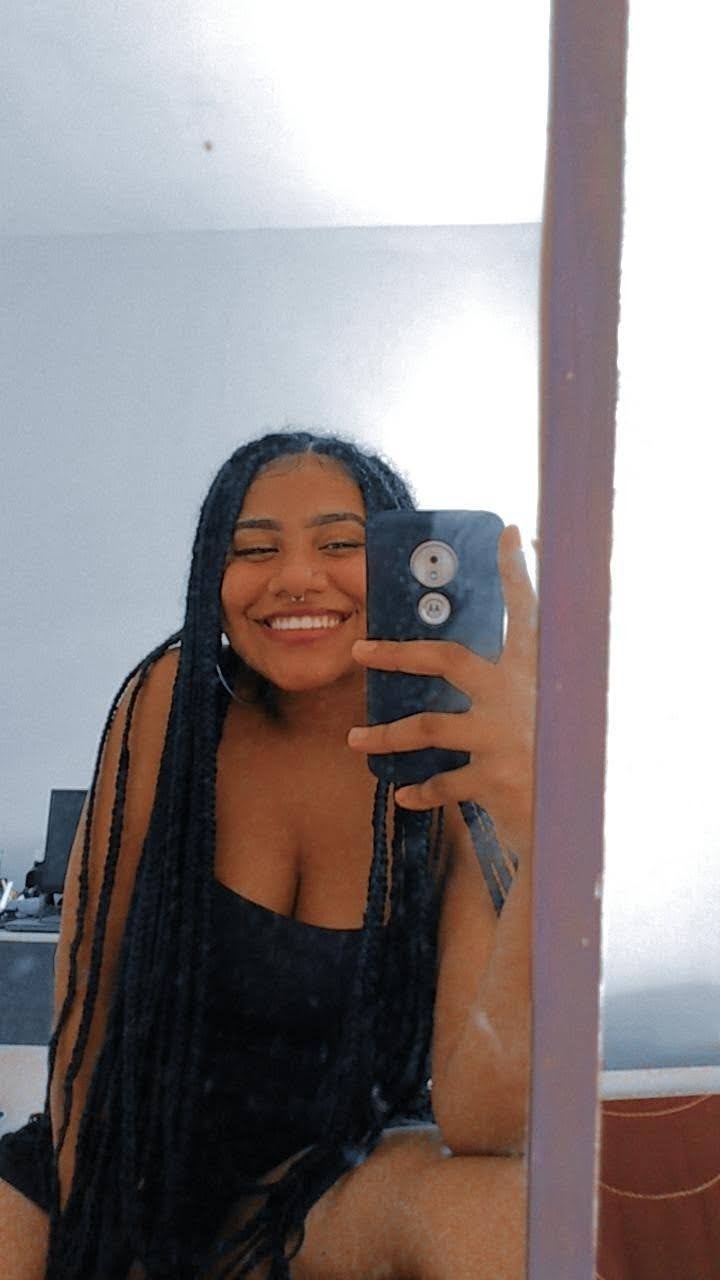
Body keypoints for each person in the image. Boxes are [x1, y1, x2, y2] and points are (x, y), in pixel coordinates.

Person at [0, 430, 536, 1279]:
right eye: (253, 550)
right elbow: (87, 1001)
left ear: (397, 565)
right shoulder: (174, 701)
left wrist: (545, 834)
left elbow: (480, 1125)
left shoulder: (454, 763)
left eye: (341, 545)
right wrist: (96, 1229)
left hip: (321, 1184)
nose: (296, 577)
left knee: (501, 1207)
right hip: (125, 1159)